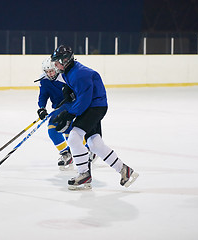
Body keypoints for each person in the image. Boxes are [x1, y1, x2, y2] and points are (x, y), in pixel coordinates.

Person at [51, 45, 139, 190]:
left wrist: (70, 114)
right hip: (93, 106)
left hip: (94, 107)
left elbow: (84, 100)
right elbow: (77, 91)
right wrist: (68, 91)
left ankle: (84, 174)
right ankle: (125, 170)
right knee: (95, 144)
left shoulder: (79, 74)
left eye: (57, 61)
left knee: (74, 137)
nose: (55, 65)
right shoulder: (68, 70)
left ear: (65, 60)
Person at [35, 57, 74, 170]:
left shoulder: (65, 77)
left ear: (56, 69)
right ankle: (66, 153)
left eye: (51, 71)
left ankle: (86, 149)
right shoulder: (44, 80)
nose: (49, 74)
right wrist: (41, 108)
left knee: (70, 131)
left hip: (72, 106)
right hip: (58, 108)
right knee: (53, 130)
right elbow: (43, 95)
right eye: (47, 72)